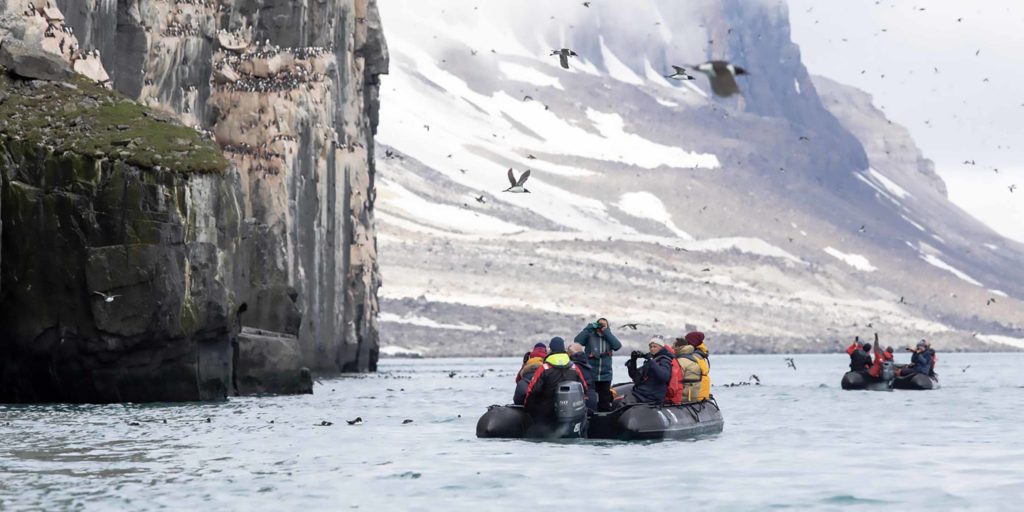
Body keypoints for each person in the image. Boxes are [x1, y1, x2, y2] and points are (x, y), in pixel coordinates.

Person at [522, 337, 588, 425]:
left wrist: (527, 409)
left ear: (551, 349)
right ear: (563, 349)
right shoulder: (574, 368)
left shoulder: (544, 368)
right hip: (570, 414)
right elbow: (584, 388)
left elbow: (532, 391)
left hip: (546, 414)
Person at [574, 318, 622, 411]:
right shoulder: (590, 335)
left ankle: (604, 420)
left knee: (604, 401)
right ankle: (590, 418)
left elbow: (617, 346)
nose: (601, 326)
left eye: (604, 324)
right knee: (591, 400)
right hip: (591, 374)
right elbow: (577, 341)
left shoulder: (609, 337)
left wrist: (606, 332)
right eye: (599, 324)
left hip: (605, 375)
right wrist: (589, 328)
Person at [624, 338, 674, 404]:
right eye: (650, 347)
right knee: (618, 401)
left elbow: (664, 377)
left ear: (661, 348)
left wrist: (651, 361)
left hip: (651, 397)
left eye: (655, 346)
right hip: (642, 394)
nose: (652, 349)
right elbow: (635, 376)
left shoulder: (665, 360)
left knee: (622, 403)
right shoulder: (652, 360)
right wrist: (633, 361)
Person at [666, 337, 704, 404]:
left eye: (673, 345)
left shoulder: (681, 361)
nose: (671, 347)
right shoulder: (690, 358)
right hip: (692, 395)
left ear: (678, 347)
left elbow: (674, 380)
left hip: (684, 397)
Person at [567, 342, 597, 412]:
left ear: (570, 354)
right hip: (592, 401)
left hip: (581, 403)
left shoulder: (572, 368)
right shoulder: (588, 366)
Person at [684, 331, 712, 400]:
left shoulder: (694, 357)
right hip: (703, 392)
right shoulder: (702, 354)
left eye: (687, 342)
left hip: (696, 394)